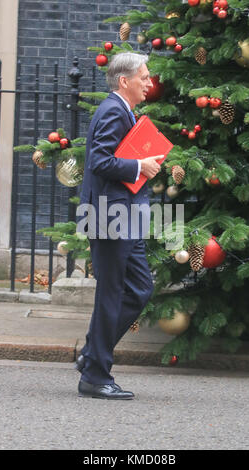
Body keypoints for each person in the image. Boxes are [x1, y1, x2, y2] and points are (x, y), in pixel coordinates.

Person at [76, 52, 162, 400]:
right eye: (143, 77)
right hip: (111, 216)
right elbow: (99, 161)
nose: (149, 83)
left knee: (140, 289)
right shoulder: (113, 110)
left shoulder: (122, 110)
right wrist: (139, 165)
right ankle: (95, 376)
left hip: (124, 217)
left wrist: (139, 164)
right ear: (124, 81)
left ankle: (92, 354)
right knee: (111, 293)